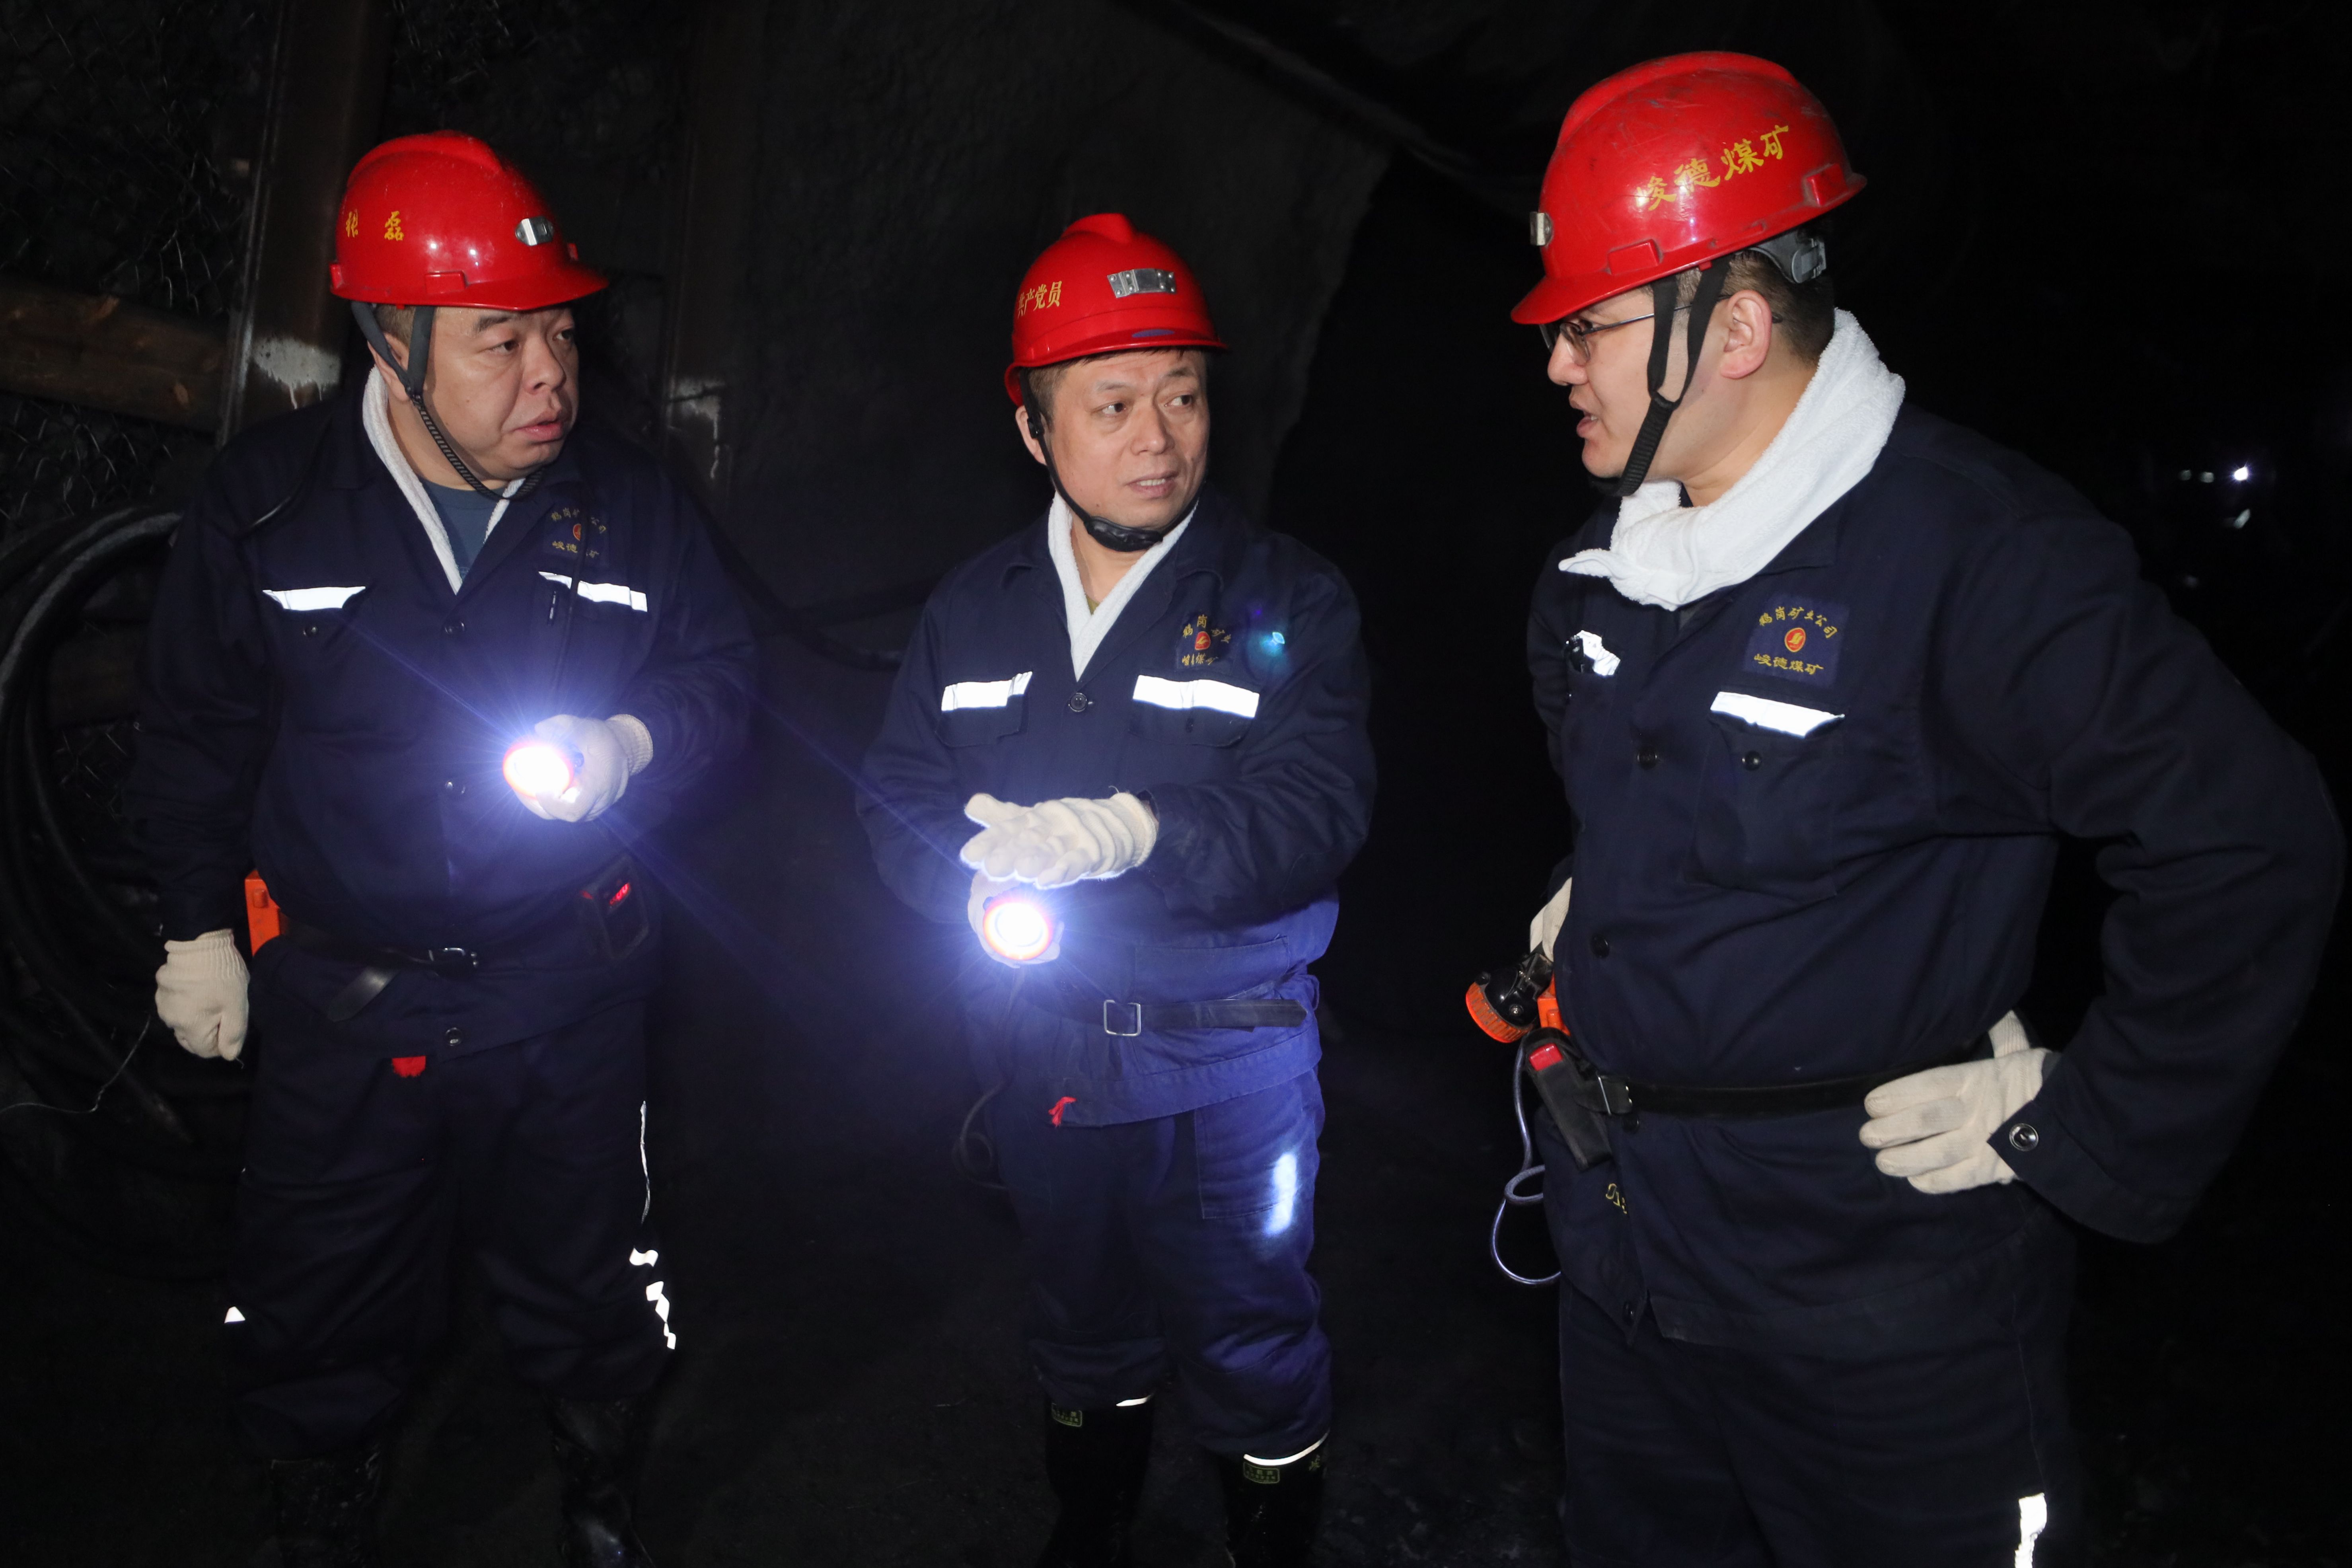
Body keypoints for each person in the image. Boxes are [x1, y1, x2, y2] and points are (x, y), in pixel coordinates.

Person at [1509, 52, 2340, 1566]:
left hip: (1875, 1299)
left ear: (1734, 329)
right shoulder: (1605, 571)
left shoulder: (1983, 562)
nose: (1560, 363)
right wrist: (1599, 886)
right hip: (1627, 1255)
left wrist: (2087, 1117)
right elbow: (1657, 787)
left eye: (1591, 325)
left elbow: (2249, 841)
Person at [128, 131, 755, 1567]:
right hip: (346, 997)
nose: (551, 375)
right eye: (501, 340)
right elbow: (196, 732)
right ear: (390, 348)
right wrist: (196, 926)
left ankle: (599, 1483)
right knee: (316, 1284)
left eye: (562, 332)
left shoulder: (633, 503)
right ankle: (319, 1501)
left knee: (591, 1274)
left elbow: (725, 683)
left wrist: (632, 743)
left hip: (567, 984)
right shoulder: (269, 508)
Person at [858, 212, 1373, 1568]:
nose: (1160, 437)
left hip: (1231, 1062)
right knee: (1080, 1328)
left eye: (1183, 396)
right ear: (1034, 430)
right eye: (1113, 403)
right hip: (1046, 1054)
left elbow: (1320, 806)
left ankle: (1272, 1545)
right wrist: (970, 883)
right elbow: (897, 792)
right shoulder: (975, 607)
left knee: (1253, 1334)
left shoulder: (1287, 599)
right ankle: (1090, 1531)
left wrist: (1143, 828)